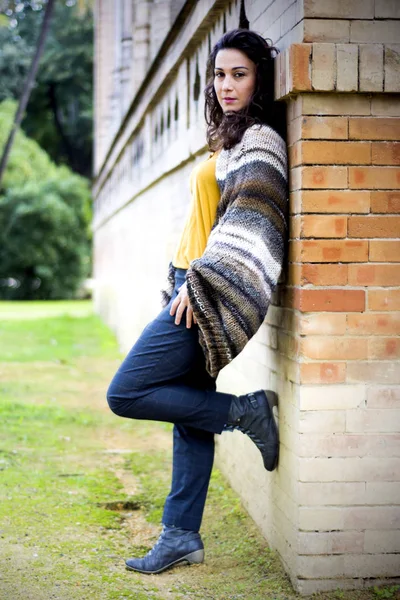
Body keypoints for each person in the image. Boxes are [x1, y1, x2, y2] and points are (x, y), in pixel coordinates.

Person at [106, 28, 288, 575]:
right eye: (219, 74)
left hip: (201, 292)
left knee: (127, 391)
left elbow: (249, 225)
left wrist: (200, 284)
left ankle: (244, 411)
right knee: (190, 419)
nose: (226, 84)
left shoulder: (260, 140)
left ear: (259, 78)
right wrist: (181, 279)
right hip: (187, 285)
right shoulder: (231, 138)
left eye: (239, 74)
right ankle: (181, 536)